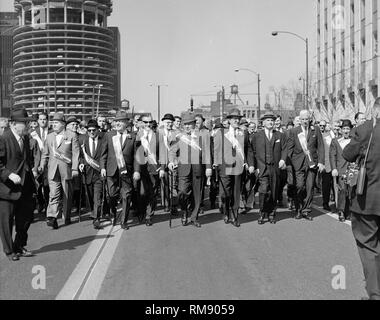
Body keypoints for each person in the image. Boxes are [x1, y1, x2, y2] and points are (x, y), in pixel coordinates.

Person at [342, 98, 380, 300]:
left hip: (369, 201)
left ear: (374, 111)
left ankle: (375, 294)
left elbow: (347, 153)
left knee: (369, 248)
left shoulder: (365, 129)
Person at [0, 110, 37, 261]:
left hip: (26, 185)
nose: (28, 125)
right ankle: (9, 251)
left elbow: (27, 160)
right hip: (7, 188)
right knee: (6, 221)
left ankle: (19, 245)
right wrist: (8, 174)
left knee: (26, 217)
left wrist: (32, 172)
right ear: (14, 124)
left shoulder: (26, 138)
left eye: (28, 122)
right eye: (25, 122)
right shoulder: (4, 139)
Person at [169, 114, 212, 227]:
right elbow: (172, 151)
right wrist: (171, 161)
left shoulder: (202, 135)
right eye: (185, 124)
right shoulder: (179, 136)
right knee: (182, 192)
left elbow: (207, 152)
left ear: (194, 124)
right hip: (183, 169)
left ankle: (194, 217)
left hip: (198, 169)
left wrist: (208, 167)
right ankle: (184, 212)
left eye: (190, 124)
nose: (187, 126)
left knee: (197, 195)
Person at [213, 109, 254, 227]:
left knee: (236, 193)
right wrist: (215, 163)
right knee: (224, 194)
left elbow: (249, 150)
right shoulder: (221, 132)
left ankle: (234, 216)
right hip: (224, 167)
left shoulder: (244, 133)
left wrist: (250, 164)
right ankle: (226, 211)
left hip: (238, 168)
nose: (236, 120)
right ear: (229, 120)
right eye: (234, 119)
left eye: (238, 119)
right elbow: (215, 149)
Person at [39, 113, 80, 229]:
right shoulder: (49, 137)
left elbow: (76, 153)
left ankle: (66, 216)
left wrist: (75, 168)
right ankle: (52, 217)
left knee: (67, 194)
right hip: (52, 170)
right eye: (53, 122)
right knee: (54, 194)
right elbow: (45, 154)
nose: (53, 125)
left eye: (56, 123)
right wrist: (42, 165)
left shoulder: (72, 135)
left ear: (63, 124)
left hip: (66, 170)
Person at [100, 111, 140, 230]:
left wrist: (137, 171)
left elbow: (137, 156)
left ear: (127, 123)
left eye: (120, 121)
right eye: (116, 121)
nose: (117, 123)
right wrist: (102, 167)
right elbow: (103, 154)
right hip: (111, 170)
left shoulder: (133, 136)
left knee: (126, 195)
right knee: (111, 195)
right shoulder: (109, 135)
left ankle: (124, 221)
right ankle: (113, 210)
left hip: (126, 171)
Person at [288, 110, 325, 221]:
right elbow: (289, 149)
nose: (305, 121)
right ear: (300, 120)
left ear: (310, 119)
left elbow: (321, 147)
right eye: (303, 119)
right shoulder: (294, 131)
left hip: (312, 163)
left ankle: (306, 210)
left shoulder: (316, 130)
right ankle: (298, 208)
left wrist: (321, 162)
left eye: (306, 119)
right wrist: (290, 164)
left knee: (309, 188)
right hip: (298, 164)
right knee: (299, 186)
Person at [251, 113, 287, 224]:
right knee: (263, 190)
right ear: (263, 123)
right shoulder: (257, 136)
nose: (270, 122)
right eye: (267, 120)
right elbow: (252, 152)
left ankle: (271, 213)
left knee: (274, 190)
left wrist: (283, 159)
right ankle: (262, 212)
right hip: (262, 167)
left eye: (272, 120)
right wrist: (255, 166)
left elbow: (284, 149)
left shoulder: (279, 135)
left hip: (275, 167)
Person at [134, 115, 160, 226]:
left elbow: (162, 153)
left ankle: (149, 215)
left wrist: (162, 168)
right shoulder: (137, 136)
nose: (148, 124)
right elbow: (134, 153)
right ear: (141, 123)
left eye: (150, 122)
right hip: (141, 169)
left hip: (154, 168)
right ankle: (141, 211)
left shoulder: (157, 136)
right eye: (145, 122)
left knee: (152, 193)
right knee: (141, 192)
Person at [79, 120, 105, 229]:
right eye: (89, 130)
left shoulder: (103, 140)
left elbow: (105, 155)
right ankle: (93, 211)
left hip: (98, 173)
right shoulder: (82, 140)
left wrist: (103, 168)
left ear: (97, 130)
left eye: (94, 130)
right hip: (87, 172)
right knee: (89, 196)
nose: (91, 132)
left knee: (97, 197)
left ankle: (96, 218)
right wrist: (81, 163)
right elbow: (80, 155)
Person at [330, 119, 354, 222]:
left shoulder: (354, 141)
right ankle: (341, 211)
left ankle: (349, 212)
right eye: (344, 128)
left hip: (352, 170)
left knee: (351, 191)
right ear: (340, 130)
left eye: (347, 128)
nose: (345, 131)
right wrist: (334, 168)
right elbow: (332, 155)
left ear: (350, 129)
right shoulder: (335, 141)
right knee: (342, 190)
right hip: (340, 170)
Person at [30, 112, 51, 214]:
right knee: (37, 186)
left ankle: (48, 206)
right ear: (38, 121)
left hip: (49, 163)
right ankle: (41, 202)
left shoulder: (52, 132)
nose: (43, 121)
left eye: (44, 119)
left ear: (47, 120)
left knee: (47, 186)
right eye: (41, 119)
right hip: (36, 164)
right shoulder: (33, 133)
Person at [158, 114, 177, 213]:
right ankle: (166, 204)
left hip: (173, 162)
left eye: (171, 122)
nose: (169, 124)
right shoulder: (158, 133)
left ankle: (173, 205)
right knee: (164, 184)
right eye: (167, 122)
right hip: (162, 162)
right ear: (163, 123)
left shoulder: (176, 133)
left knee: (172, 184)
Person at [319, 120, 334, 211]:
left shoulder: (331, 134)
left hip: (334, 164)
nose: (322, 127)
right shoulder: (319, 136)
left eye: (324, 125)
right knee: (326, 186)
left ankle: (338, 204)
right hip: (324, 164)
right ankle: (325, 203)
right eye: (320, 125)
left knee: (335, 186)